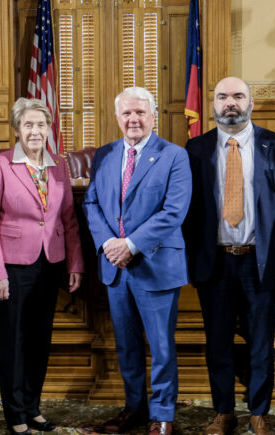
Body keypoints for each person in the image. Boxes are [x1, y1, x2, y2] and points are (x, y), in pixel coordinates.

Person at [184, 76, 275, 435]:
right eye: (222, 97)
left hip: (259, 261)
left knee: (261, 341)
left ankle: (259, 412)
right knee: (217, 341)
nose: (229, 102)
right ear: (213, 105)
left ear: (251, 103)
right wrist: (189, 260)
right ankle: (223, 411)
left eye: (237, 96)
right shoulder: (195, 148)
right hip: (214, 261)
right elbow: (188, 210)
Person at [83, 86, 191, 435]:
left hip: (155, 264)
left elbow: (174, 211)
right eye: (127, 113)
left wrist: (130, 244)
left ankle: (163, 416)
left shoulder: (174, 155)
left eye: (140, 113)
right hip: (115, 268)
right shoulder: (105, 155)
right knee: (126, 345)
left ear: (153, 116)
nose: (133, 119)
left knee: (160, 347)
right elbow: (92, 204)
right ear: (117, 118)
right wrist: (109, 244)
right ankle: (134, 409)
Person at [0, 98, 84, 435]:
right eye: (28, 125)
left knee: (40, 340)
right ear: (17, 130)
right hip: (12, 267)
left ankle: (33, 408)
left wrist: (75, 263)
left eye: (40, 125)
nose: (35, 131)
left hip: (49, 263)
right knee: (14, 341)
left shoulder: (58, 166)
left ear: (49, 128)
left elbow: (68, 220)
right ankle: (15, 415)